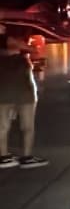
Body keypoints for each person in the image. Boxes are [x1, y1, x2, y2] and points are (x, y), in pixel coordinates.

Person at [0, 27, 48, 170]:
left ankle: (3, 156)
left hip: (3, 89)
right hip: (24, 89)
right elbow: (35, 51)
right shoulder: (13, 41)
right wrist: (27, 47)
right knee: (27, 126)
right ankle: (27, 157)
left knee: (3, 125)